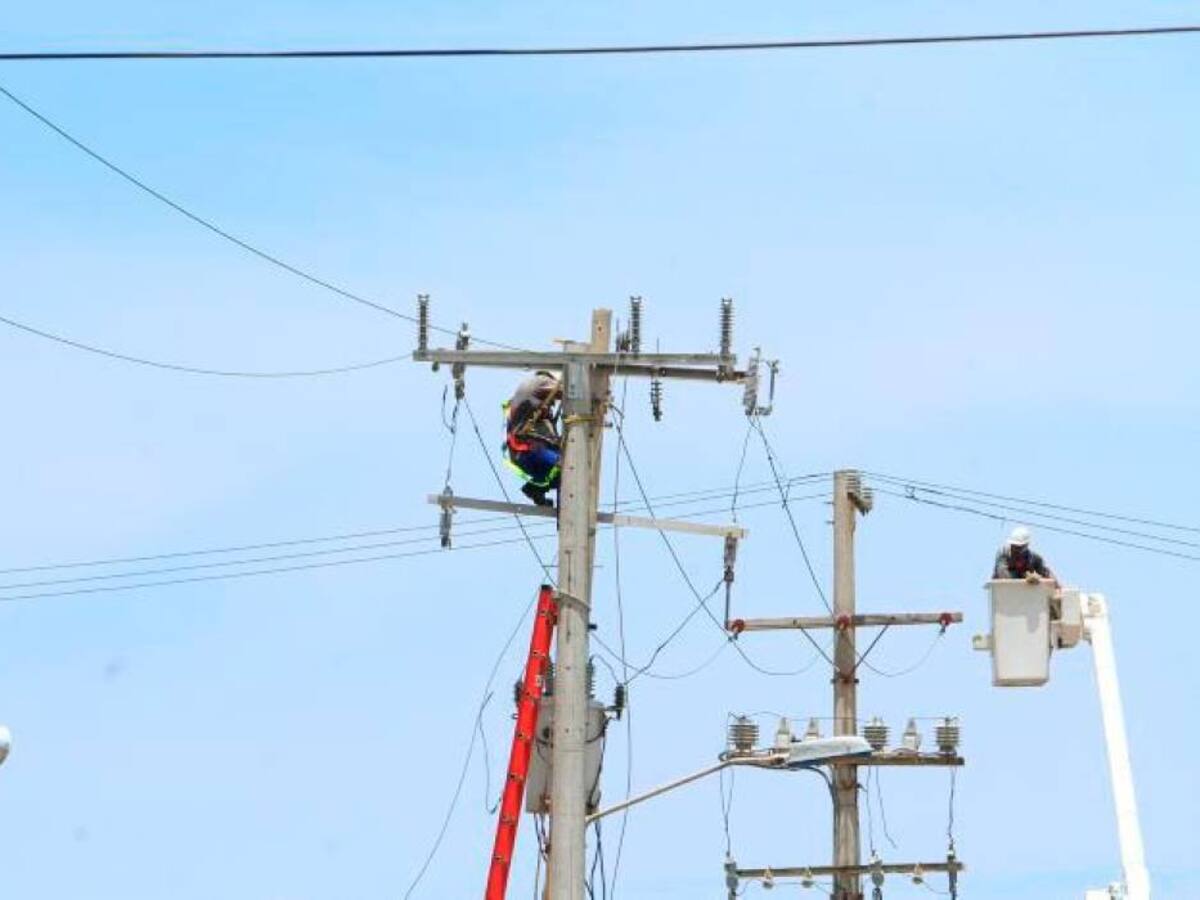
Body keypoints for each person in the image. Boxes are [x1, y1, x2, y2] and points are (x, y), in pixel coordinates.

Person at [503, 371, 562, 507]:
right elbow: (568, 391)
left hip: (524, 455)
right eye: (551, 402)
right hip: (531, 449)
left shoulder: (525, 399)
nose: (552, 404)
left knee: (560, 477)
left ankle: (534, 489)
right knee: (569, 468)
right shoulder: (541, 380)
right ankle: (534, 489)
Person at [993, 526, 1058, 587]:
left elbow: (1047, 574)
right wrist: (1026, 579)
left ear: (1026, 546)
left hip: (1025, 594)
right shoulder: (1004, 554)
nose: (1015, 550)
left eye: (1019, 547)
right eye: (1013, 546)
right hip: (1004, 590)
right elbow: (1003, 575)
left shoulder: (1033, 559)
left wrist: (1038, 578)